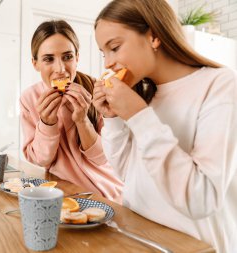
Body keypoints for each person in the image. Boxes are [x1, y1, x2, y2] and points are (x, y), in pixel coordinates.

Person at [92, 0, 237, 252]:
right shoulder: (147, 94)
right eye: (103, 53)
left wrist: (138, 115)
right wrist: (114, 119)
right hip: (139, 240)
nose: (107, 63)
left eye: (114, 47)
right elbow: (129, 176)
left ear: (154, 36)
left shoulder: (220, 85)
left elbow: (201, 199)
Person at [20, 20, 123, 202]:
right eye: (48, 59)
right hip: (64, 193)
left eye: (67, 57)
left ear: (77, 57)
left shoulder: (96, 88)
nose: (60, 69)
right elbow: (41, 160)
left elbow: (104, 159)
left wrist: (82, 120)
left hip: (109, 192)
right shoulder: (29, 99)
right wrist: (47, 124)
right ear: (35, 63)